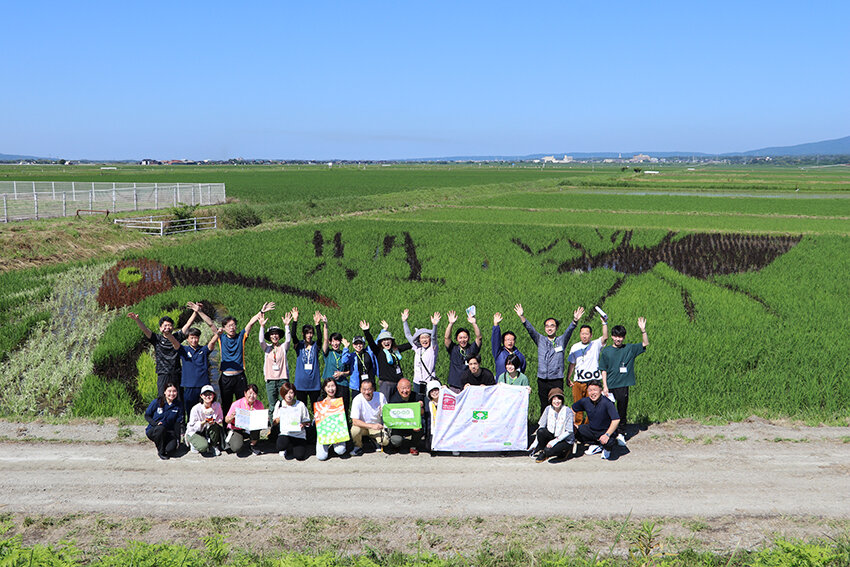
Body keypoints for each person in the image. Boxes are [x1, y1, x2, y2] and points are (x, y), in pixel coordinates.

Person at [514, 303, 584, 414]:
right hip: (542, 379)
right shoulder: (540, 339)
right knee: (544, 404)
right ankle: (544, 428)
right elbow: (530, 329)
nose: (549, 328)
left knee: (557, 404)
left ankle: (558, 426)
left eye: (552, 326)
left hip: (556, 379)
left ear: (556, 328)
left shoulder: (561, 340)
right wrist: (522, 316)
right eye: (547, 326)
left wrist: (575, 321)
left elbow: (569, 331)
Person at [128, 301, 204, 397]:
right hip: (162, 373)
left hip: (176, 372)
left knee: (179, 397)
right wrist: (137, 320)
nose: (168, 327)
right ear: (160, 328)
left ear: (173, 327)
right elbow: (145, 329)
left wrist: (196, 311)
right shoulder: (157, 339)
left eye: (170, 325)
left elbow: (188, 324)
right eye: (165, 325)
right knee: (162, 398)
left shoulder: (177, 337)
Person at [217, 303, 272, 418]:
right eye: (229, 325)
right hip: (226, 377)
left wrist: (261, 311)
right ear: (224, 327)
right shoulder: (221, 338)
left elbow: (251, 323)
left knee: (243, 402)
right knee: (226, 403)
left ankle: (243, 427)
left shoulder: (241, 336)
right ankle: (227, 428)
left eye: (233, 325)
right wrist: (199, 312)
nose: (232, 327)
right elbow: (209, 323)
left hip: (239, 377)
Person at [600, 317, 648, 446]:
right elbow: (603, 369)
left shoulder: (629, 349)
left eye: (620, 337)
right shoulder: (607, 351)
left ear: (624, 337)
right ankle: (607, 433)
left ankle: (621, 433)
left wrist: (643, 330)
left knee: (622, 410)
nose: (618, 339)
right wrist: (604, 386)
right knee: (607, 410)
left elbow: (645, 344)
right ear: (612, 336)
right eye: (615, 336)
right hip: (609, 386)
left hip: (622, 385)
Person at [164, 322, 220, 420]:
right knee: (190, 410)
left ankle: (205, 429)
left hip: (203, 386)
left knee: (205, 410)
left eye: (196, 337)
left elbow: (211, 344)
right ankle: (190, 430)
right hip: (189, 386)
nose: (194, 340)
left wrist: (217, 334)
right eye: (192, 337)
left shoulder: (203, 349)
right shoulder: (184, 350)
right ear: (187, 339)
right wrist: (168, 335)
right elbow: (175, 342)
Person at [567, 312, 609, 426]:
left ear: (591, 335)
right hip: (578, 381)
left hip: (593, 382)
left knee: (593, 406)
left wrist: (604, 322)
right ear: (580, 334)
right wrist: (568, 377)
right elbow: (572, 364)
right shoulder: (575, 347)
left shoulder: (595, 344)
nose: (584, 336)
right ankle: (577, 427)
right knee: (577, 406)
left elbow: (605, 337)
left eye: (587, 334)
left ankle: (589, 427)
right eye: (582, 333)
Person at [361, 319, 412, 401]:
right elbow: (371, 342)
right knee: (385, 405)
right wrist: (366, 331)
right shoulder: (379, 352)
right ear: (381, 342)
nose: (386, 342)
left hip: (398, 383)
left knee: (398, 404)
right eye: (384, 340)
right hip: (386, 384)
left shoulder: (395, 350)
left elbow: (409, 345)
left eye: (388, 339)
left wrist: (419, 338)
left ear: (392, 341)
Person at [258, 310, 293, 427]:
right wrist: (262, 326)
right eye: (272, 334)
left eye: (276, 334)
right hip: (270, 381)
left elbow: (288, 340)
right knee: (272, 405)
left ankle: (284, 426)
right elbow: (261, 340)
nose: (274, 336)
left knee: (284, 403)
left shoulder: (283, 347)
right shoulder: (267, 349)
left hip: (283, 379)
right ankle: (273, 428)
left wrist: (287, 326)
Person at [572, 380, 620, 460]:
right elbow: (572, 410)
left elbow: (616, 420)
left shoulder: (607, 403)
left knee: (609, 442)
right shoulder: (585, 401)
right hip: (592, 429)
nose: (592, 393)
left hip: (606, 431)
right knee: (575, 431)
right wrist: (573, 423)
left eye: (595, 390)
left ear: (600, 391)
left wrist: (607, 435)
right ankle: (596, 444)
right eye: (590, 390)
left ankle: (606, 448)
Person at [401, 309, 440, 401]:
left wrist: (434, 325)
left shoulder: (432, 349)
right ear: (419, 340)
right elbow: (408, 335)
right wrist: (404, 321)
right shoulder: (417, 348)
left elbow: (434, 337)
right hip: (417, 382)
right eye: (422, 338)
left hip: (429, 382)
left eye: (427, 337)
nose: (424, 340)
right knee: (419, 404)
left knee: (429, 404)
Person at [530, 388, 575, 463]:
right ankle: (543, 450)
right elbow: (541, 426)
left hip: (565, 439)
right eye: (554, 399)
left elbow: (569, 431)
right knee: (541, 432)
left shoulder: (567, 411)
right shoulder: (548, 409)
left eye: (559, 399)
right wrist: (535, 442)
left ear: (562, 400)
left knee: (549, 451)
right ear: (550, 400)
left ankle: (564, 452)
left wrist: (555, 441)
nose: (556, 401)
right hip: (553, 434)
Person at [443, 310, 483, 393]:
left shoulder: (472, 349)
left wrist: (474, 323)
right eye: (460, 338)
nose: (463, 340)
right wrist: (450, 324)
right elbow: (447, 338)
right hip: (455, 386)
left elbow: (479, 337)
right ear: (457, 339)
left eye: (465, 337)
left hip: (469, 385)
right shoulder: (453, 348)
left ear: (468, 338)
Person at [320, 314, 352, 415]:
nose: (335, 343)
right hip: (329, 386)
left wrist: (341, 374)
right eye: (333, 341)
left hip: (342, 385)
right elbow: (324, 340)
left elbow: (349, 371)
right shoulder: (328, 353)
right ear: (330, 342)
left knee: (343, 411)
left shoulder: (344, 353)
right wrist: (325, 325)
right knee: (328, 410)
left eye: (337, 341)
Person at [291, 308, 322, 410]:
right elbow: (293, 336)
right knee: (301, 408)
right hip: (300, 384)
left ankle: (315, 425)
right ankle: (303, 425)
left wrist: (317, 324)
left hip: (314, 383)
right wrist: (295, 320)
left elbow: (320, 338)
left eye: (311, 333)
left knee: (316, 408)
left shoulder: (316, 346)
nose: (309, 335)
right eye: (307, 333)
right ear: (303, 334)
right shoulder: (299, 345)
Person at [349, 379, 389, 456]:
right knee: (354, 430)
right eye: (364, 389)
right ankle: (358, 446)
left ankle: (375, 441)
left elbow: (387, 415)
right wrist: (372, 426)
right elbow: (355, 421)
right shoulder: (357, 399)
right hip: (362, 427)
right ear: (360, 390)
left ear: (373, 389)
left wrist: (383, 413)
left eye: (369, 389)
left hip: (376, 427)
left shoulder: (381, 396)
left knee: (385, 441)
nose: (367, 392)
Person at [144, 382, 183, 460]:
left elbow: (177, 424)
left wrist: (178, 439)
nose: (172, 393)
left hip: (169, 431)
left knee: (171, 450)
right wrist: (155, 424)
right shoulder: (157, 402)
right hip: (155, 429)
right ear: (165, 392)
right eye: (169, 391)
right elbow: (147, 415)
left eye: (174, 391)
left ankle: (163, 444)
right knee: (160, 429)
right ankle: (160, 452)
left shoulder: (178, 405)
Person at [272, 382, 310, 461]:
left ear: (294, 393)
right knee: (280, 446)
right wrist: (279, 418)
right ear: (282, 394)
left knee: (299, 456)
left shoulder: (300, 405)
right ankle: (287, 446)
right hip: (286, 433)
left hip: (299, 435)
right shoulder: (280, 404)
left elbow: (307, 422)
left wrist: (303, 424)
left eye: (291, 393)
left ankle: (294, 446)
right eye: (286, 393)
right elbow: (274, 423)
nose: (289, 395)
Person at [225, 384, 265, 455]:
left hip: (251, 428)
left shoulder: (259, 404)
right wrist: (231, 417)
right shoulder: (237, 404)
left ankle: (252, 445)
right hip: (237, 428)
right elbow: (226, 420)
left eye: (254, 394)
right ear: (245, 393)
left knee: (257, 427)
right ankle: (234, 440)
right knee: (236, 448)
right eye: (250, 393)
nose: (252, 396)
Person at [387, 378, 424, 455]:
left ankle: (413, 446)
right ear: (398, 388)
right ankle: (397, 446)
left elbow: (422, 413)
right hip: (398, 426)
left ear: (411, 388)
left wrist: (420, 407)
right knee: (396, 440)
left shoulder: (416, 397)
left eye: (407, 388)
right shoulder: (393, 400)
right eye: (402, 388)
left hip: (411, 425)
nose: (405, 390)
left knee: (420, 428)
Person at [315, 378, 349, 460]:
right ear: (324, 388)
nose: (331, 389)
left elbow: (343, 420)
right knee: (321, 457)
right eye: (328, 386)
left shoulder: (340, 401)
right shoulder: (320, 401)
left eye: (333, 386)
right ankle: (327, 447)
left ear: (336, 387)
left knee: (340, 450)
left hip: (337, 432)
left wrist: (338, 436)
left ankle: (334, 446)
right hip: (324, 433)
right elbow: (319, 421)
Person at [186, 385, 224, 456]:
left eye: (210, 394)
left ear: (214, 395)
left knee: (215, 426)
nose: (208, 396)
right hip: (195, 431)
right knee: (203, 447)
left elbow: (220, 419)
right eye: (205, 394)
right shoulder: (195, 408)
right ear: (201, 396)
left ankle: (213, 445)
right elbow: (192, 427)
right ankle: (193, 443)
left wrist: (214, 422)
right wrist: (203, 422)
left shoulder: (217, 406)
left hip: (208, 430)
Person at [491, 312, 527, 378]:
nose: (510, 342)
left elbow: (522, 370)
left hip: (515, 385)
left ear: (515, 341)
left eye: (512, 340)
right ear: (503, 341)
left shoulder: (520, 355)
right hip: (502, 385)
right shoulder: (499, 353)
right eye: (507, 340)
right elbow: (495, 341)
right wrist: (496, 325)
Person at [343, 335, 377, 403]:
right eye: (356, 344)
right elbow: (344, 360)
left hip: (369, 384)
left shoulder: (368, 352)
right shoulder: (352, 355)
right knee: (357, 404)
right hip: (356, 385)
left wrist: (384, 330)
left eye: (360, 343)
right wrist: (346, 348)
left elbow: (375, 342)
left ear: (364, 344)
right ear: (353, 345)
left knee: (371, 404)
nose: (358, 345)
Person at [422, 379, 442, 454]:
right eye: (432, 391)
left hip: (443, 427)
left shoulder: (446, 403)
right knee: (429, 447)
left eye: (436, 390)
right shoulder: (428, 405)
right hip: (432, 428)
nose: (434, 393)